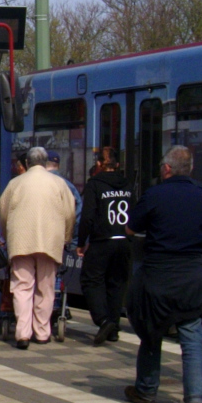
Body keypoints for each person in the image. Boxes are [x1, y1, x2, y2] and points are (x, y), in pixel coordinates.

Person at [124, 145, 202, 403]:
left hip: (157, 277)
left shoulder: (154, 194)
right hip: (192, 279)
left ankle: (146, 390)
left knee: (151, 334)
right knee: (192, 341)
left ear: (167, 169)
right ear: (189, 169)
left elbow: (131, 228)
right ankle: (196, 401)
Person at [0, 146, 75, 348]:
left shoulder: (15, 184)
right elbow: (69, 213)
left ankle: (22, 333)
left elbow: (3, 212)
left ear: (28, 163)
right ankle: (42, 332)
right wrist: (66, 238)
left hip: (21, 241)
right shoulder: (59, 184)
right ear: (44, 162)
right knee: (46, 287)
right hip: (50, 242)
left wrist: (7, 237)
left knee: (22, 287)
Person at [78, 147, 132, 346]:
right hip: (124, 241)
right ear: (117, 165)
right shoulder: (127, 183)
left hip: (102, 241)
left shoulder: (95, 184)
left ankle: (103, 320)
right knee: (117, 283)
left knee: (91, 280)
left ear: (99, 164)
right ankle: (114, 328)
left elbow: (88, 216)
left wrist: (81, 242)